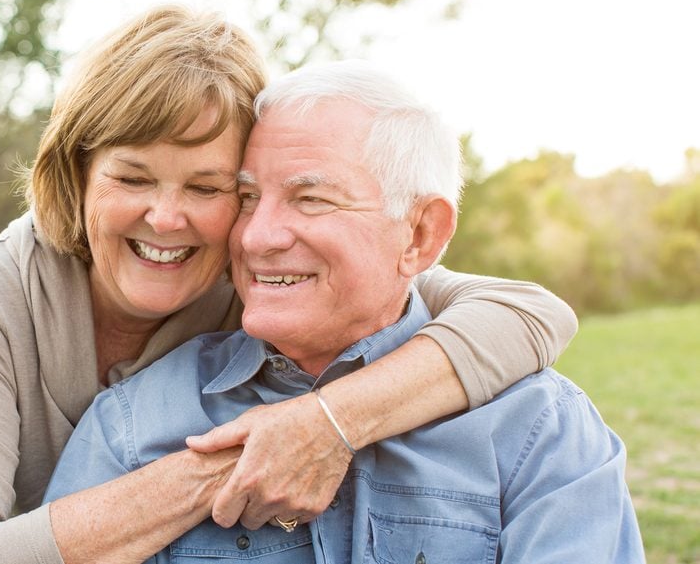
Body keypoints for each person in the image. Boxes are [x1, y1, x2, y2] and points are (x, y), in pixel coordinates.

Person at [0, 7, 580, 564]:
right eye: (132, 177)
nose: (167, 218)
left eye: (210, 187)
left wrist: (328, 421)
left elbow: (529, 312)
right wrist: (234, 462)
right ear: (77, 174)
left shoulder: (263, 272)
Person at [44, 60, 643, 563]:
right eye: (248, 198)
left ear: (420, 236)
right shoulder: (132, 424)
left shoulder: (538, 430)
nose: (257, 237)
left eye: (311, 199)